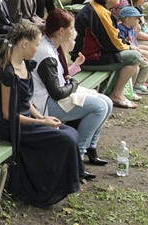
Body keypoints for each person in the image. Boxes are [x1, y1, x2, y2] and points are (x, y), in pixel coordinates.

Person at [0, 22, 83, 207]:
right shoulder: (8, 73)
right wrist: (41, 124)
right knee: (64, 139)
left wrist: (42, 118)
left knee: (72, 133)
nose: (38, 49)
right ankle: (46, 189)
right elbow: (8, 115)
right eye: (37, 45)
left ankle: (58, 182)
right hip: (12, 126)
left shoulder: (26, 65)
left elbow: (28, 103)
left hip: (27, 121)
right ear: (25, 44)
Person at [32, 10, 112, 175]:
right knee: (99, 107)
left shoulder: (51, 46)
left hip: (54, 98)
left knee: (107, 102)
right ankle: (78, 156)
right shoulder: (46, 52)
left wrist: (71, 80)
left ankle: (91, 147)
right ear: (61, 31)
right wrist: (73, 84)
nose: (74, 31)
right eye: (71, 28)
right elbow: (57, 92)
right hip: (44, 105)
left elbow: (60, 80)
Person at [72, 0, 141, 109]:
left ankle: (121, 92)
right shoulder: (99, 13)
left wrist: (126, 44)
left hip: (92, 54)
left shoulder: (98, 8)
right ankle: (116, 95)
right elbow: (111, 44)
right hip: (89, 58)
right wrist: (129, 47)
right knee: (134, 57)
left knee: (134, 58)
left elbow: (113, 38)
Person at [117, 6, 148, 97]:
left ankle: (138, 85)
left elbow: (134, 42)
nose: (138, 20)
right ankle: (132, 87)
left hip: (134, 51)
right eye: (136, 18)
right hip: (128, 52)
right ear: (128, 19)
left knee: (146, 64)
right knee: (140, 65)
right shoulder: (121, 29)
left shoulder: (132, 28)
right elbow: (124, 44)